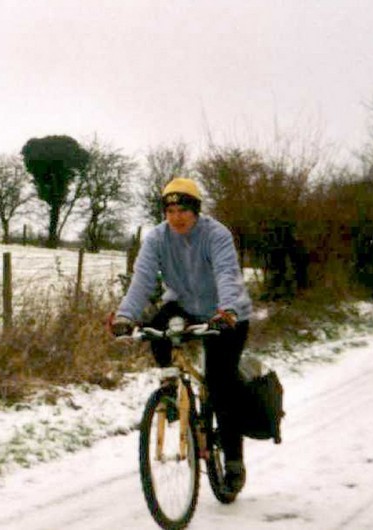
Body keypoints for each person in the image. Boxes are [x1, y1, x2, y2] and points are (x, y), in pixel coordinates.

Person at [109, 176, 252, 496]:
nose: (177, 216)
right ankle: (170, 389)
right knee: (156, 329)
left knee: (220, 383)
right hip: (185, 305)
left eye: (183, 209)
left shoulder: (216, 235)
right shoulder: (157, 239)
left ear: (196, 210)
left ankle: (233, 463)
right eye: (170, 209)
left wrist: (227, 309)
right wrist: (125, 316)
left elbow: (226, 273)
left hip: (227, 314)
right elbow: (143, 280)